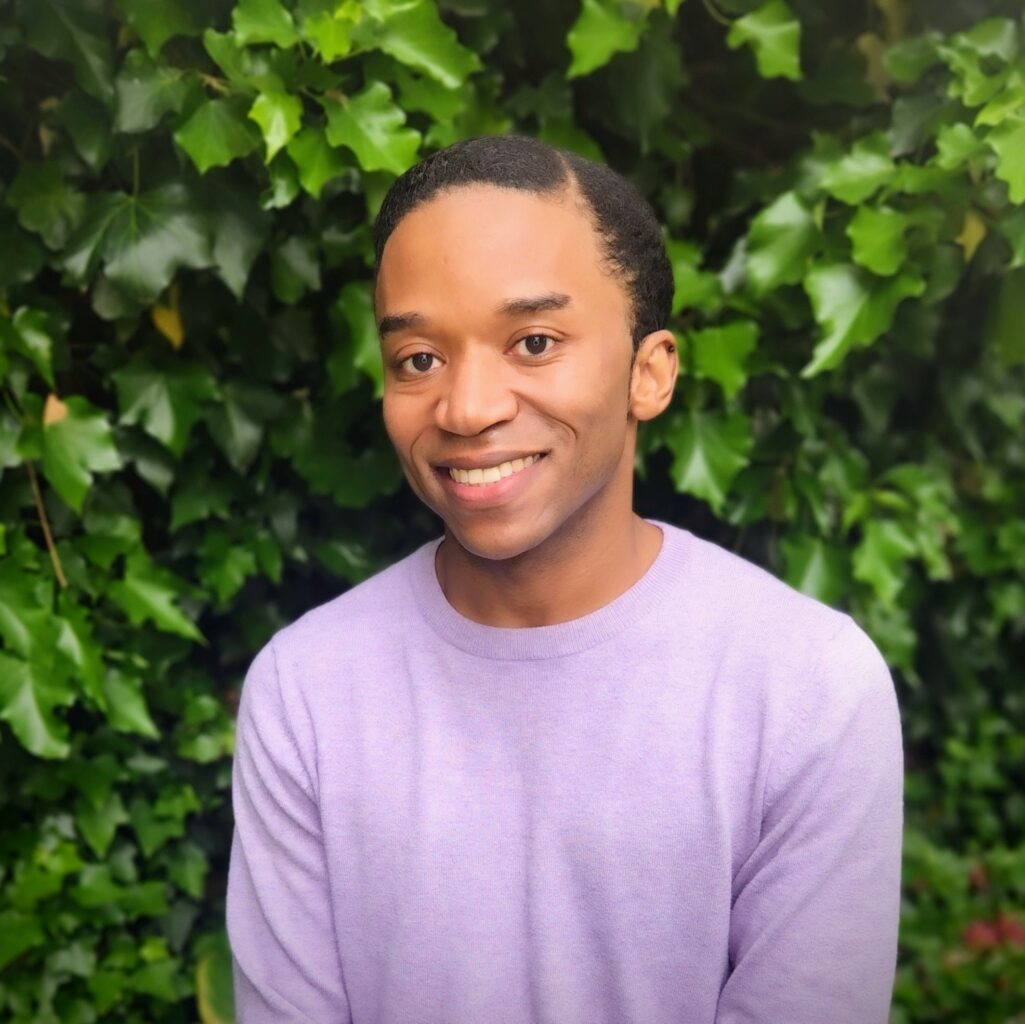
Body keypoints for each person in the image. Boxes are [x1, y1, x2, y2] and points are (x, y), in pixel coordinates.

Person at [226, 134, 904, 1023]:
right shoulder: (306, 687)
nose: (468, 408)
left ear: (649, 372)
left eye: (534, 342)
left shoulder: (806, 684)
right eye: (418, 359)